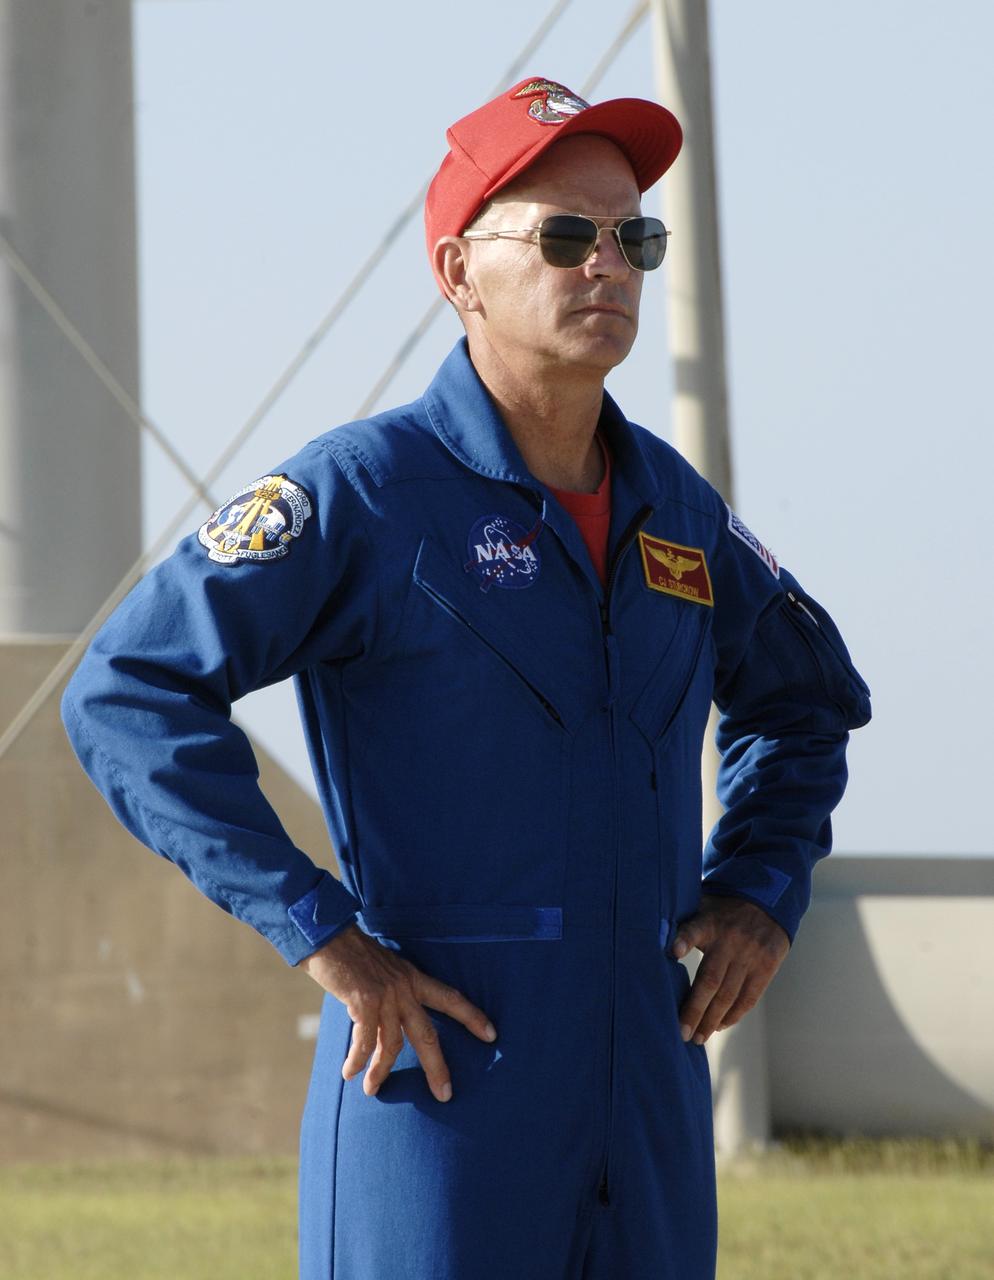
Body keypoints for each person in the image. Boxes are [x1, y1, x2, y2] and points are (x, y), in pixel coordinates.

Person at [62, 76, 871, 1280]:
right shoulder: (364, 494)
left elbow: (806, 700)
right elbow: (126, 690)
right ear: (457, 272)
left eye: (632, 236)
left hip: (643, 1102)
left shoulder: (679, 513)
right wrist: (320, 932)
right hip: (436, 1092)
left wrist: (758, 886)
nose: (605, 264)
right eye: (561, 235)